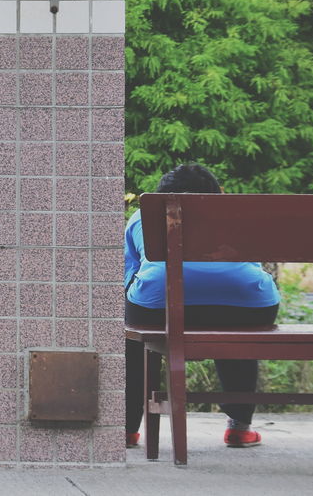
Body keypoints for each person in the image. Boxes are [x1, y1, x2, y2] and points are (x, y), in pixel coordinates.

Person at [124, 163, 281, 450]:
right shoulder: (239, 217)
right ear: (213, 196)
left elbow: (128, 273)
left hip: (158, 308)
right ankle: (240, 428)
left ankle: (127, 428)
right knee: (238, 333)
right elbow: (252, 264)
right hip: (247, 308)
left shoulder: (141, 217)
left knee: (132, 333)